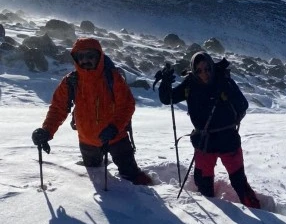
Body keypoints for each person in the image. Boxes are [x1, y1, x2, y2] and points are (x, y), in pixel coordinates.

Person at [31, 38, 153, 185]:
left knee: (134, 177)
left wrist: (114, 128)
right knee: (94, 176)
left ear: (99, 57)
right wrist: (46, 131)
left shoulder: (112, 77)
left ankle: (144, 203)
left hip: (116, 138)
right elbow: (58, 109)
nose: (85, 60)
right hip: (87, 140)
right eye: (80, 57)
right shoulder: (71, 81)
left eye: (90, 56)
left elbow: (126, 105)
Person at [158, 51, 260, 208]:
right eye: (199, 70)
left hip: (227, 140)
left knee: (239, 182)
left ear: (212, 66)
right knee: (203, 182)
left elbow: (243, 105)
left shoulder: (224, 82)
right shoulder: (190, 84)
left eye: (207, 69)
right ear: (193, 70)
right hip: (204, 143)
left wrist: (229, 112)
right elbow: (167, 98)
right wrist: (165, 83)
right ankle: (212, 210)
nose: (204, 73)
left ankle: (260, 214)